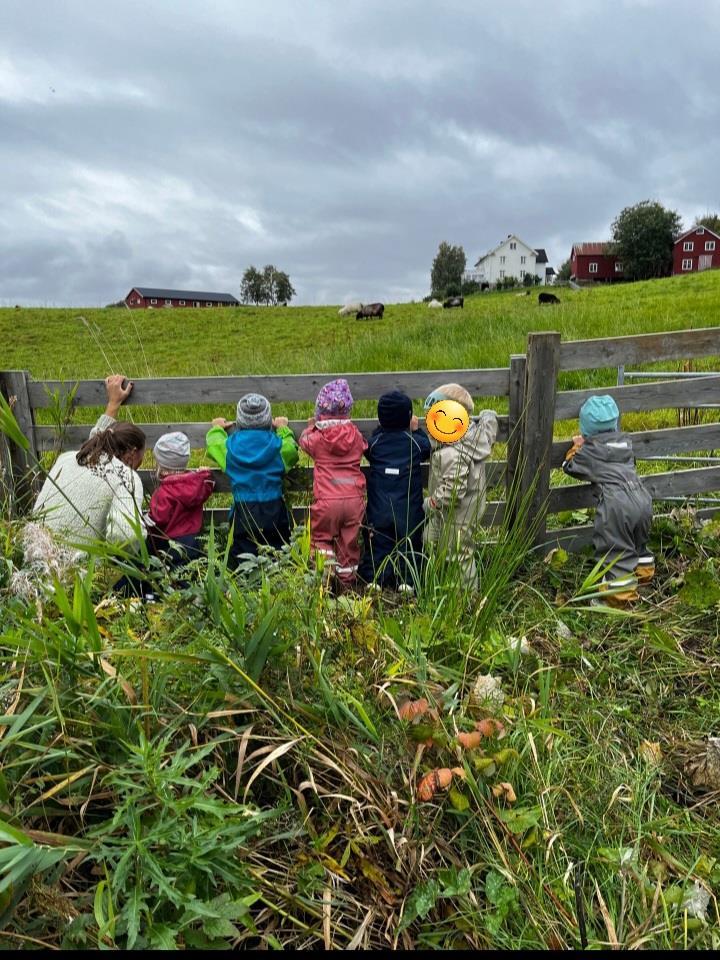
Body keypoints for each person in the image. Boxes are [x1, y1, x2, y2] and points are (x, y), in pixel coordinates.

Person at [33, 375, 146, 550]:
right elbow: (126, 535)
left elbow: (98, 441)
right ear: (131, 454)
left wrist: (113, 404)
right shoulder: (126, 477)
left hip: (33, 553)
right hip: (76, 571)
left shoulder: (69, 458)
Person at [562, 394, 654, 605]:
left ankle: (620, 600)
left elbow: (570, 466)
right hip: (641, 498)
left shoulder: (591, 451)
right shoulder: (625, 443)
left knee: (617, 549)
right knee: (638, 541)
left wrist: (578, 447)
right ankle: (644, 576)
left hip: (617, 505)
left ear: (586, 430)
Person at [206, 393, 298, 566]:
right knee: (278, 546)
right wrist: (283, 429)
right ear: (268, 421)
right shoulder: (277, 446)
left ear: (240, 422)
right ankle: (277, 578)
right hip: (274, 506)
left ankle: (245, 580)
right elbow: (291, 451)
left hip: (243, 508)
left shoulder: (231, 448)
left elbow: (214, 445)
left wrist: (217, 428)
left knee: (243, 549)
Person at [422, 383, 498, 589]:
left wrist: (432, 502)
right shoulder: (474, 437)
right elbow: (489, 433)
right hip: (452, 512)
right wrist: (488, 417)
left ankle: (467, 596)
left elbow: (453, 489)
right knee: (431, 538)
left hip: (458, 514)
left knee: (459, 553)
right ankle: (444, 581)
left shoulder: (452, 453)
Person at [358, 390, 431, 591]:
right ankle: (407, 581)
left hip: (379, 507)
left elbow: (369, 447)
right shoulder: (415, 443)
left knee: (378, 542)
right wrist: (416, 430)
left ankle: (375, 578)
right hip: (408, 508)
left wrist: (381, 430)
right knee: (410, 542)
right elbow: (427, 447)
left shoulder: (375, 445)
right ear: (408, 417)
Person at [300, 378, 367, 592]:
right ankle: (347, 584)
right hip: (354, 499)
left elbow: (304, 442)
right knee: (349, 542)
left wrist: (311, 428)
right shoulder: (355, 436)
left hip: (328, 500)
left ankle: (325, 578)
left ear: (320, 412)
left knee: (320, 538)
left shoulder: (318, 439)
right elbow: (364, 446)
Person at [146, 431, 215, 564]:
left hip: (171, 544)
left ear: (162, 467)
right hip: (194, 540)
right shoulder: (196, 485)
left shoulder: (163, 493)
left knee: (175, 574)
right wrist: (205, 473)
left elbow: (158, 520)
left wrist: (146, 522)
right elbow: (208, 485)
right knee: (190, 571)